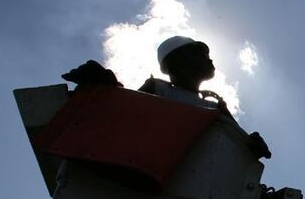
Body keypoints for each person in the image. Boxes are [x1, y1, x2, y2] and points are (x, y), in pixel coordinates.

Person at [61, 36, 270, 158]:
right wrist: (108, 89)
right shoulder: (157, 90)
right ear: (174, 63)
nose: (209, 59)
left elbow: (235, 144)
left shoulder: (215, 106)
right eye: (198, 53)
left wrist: (251, 146)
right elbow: (125, 121)